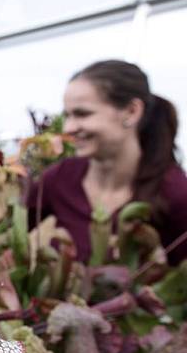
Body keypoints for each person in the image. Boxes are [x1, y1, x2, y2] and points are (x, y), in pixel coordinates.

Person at [26, 59, 187, 265]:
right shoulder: (61, 178)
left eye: (82, 114)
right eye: (67, 115)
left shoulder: (175, 194)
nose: (68, 128)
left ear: (131, 111)